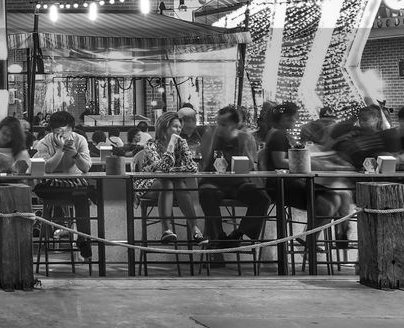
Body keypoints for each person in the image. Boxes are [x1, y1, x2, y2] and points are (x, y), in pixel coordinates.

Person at [258, 102, 344, 245]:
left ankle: (308, 239)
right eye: (295, 118)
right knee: (330, 201)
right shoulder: (279, 135)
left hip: (284, 183)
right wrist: (306, 163)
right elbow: (279, 161)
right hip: (280, 185)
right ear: (286, 118)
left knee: (333, 198)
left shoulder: (277, 133)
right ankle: (309, 241)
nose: (296, 121)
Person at [197, 106, 271, 243]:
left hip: (238, 183)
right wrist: (210, 139)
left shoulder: (246, 138)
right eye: (218, 123)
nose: (219, 127)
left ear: (235, 125)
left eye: (223, 124)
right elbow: (205, 161)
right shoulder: (212, 136)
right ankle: (218, 238)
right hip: (213, 182)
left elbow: (250, 165)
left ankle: (238, 233)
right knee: (206, 193)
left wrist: (245, 145)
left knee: (262, 198)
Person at [30, 110, 94, 260]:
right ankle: (57, 233)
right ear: (52, 131)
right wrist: (59, 149)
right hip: (51, 186)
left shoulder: (80, 140)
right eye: (58, 131)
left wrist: (74, 154)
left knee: (82, 198)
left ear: (72, 129)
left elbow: (85, 168)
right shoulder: (44, 143)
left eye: (66, 131)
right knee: (80, 196)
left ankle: (83, 241)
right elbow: (48, 169)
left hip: (75, 185)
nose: (63, 135)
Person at [138, 111, 201, 243]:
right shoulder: (151, 144)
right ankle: (166, 229)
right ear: (164, 127)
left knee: (177, 183)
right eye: (175, 127)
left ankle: (194, 227)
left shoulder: (182, 143)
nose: (178, 130)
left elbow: (192, 167)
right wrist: (171, 144)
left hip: (174, 184)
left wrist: (173, 171)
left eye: (179, 127)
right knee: (167, 182)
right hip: (149, 184)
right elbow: (162, 168)